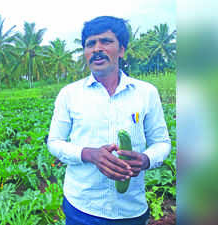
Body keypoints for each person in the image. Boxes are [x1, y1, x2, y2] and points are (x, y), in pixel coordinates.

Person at [47, 16, 171, 225]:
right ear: (85, 53)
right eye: (90, 44)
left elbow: (162, 142)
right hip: (82, 207)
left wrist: (146, 160)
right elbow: (54, 142)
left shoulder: (146, 92)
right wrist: (89, 154)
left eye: (106, 41)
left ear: (121, 50)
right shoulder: (69, 94)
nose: (97, 49)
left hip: (130, 209)